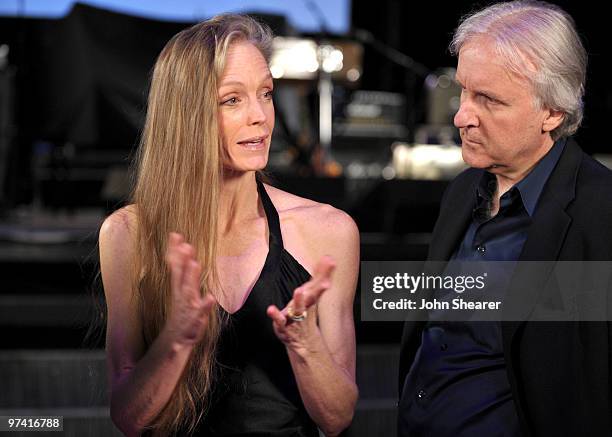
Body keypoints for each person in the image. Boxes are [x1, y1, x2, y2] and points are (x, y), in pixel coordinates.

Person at [98, 14, 359, 437]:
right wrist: (177, 340)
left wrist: (305, 343)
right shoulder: (126, 235)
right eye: (232, 100)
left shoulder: (329, 231)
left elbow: (338, 418)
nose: (260, 116)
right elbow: (128, 417)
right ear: (186, 114)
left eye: (266, 94)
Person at [398, 1, 612, 436]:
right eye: (463, 91)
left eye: (488, 100)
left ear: (552, 111)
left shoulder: (600, 214)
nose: (461, 116)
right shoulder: (462, 192)